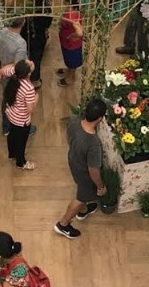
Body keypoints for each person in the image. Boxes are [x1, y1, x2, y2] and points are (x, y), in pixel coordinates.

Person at [55, 98, 107, 239]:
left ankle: (82, 211)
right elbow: (93, 170)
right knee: (80, 197)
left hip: (73, 162)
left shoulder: (74, 120)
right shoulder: (93, 143)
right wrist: (100, 187)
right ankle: (63, 224)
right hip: (85, 173)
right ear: (100, 119)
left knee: (83, 194)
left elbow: (69, 138)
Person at [0, 17, 29, 136]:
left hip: (4, 74)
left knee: (6, 100)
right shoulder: (20, 43)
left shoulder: (1, 32)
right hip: (14, 78)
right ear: (23, 23)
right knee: (18, 102)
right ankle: (17, 127)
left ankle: (6, 127)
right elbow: (17, 67)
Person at [3, 60, 37, 170]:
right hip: (22, 120)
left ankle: (11, 154)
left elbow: (2, 70)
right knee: (21, 142)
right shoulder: (28, 88)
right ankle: (21, 162)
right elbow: (30, 109)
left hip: (11, 113)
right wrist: (36, 98)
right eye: (30, 63)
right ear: (28, 73)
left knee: (12, 135)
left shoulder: (14, 72)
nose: (31, 61)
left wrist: (14, 66)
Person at [57, 0, 83, 87]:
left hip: (71, 44)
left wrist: (72, 36)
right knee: (69, 59)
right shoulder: (69, 11)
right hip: (66, 42)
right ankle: (68, 71)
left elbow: (79, 32)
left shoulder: (72, 15)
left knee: (72, 62)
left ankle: (71, 78)